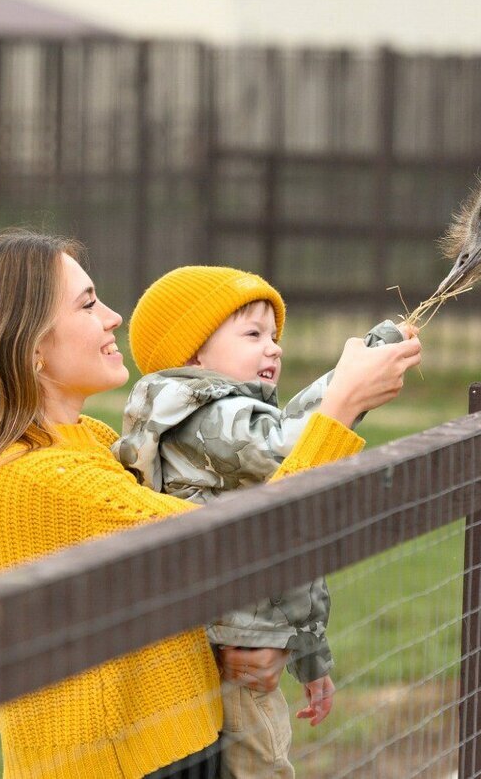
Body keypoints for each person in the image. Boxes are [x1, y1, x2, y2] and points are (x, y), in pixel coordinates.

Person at [0, 230, 422, 779]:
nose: (114, 317)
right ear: (32, 346)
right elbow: (243, 542)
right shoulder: (43, 479)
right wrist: (342, 406)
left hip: (167, 746)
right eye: (88, 303)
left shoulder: (84, 441)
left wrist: (230, 650)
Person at [113, 267, 412, 778]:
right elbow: (294, 445)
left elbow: (296, 443)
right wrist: (354, 386)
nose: (273, 348)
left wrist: (311, 658)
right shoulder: (206, 419)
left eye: (274, 337)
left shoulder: (230, 422)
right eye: (253, 335)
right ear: (193, 354)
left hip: (246, 634)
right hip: (238, 643)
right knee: (263, 766)